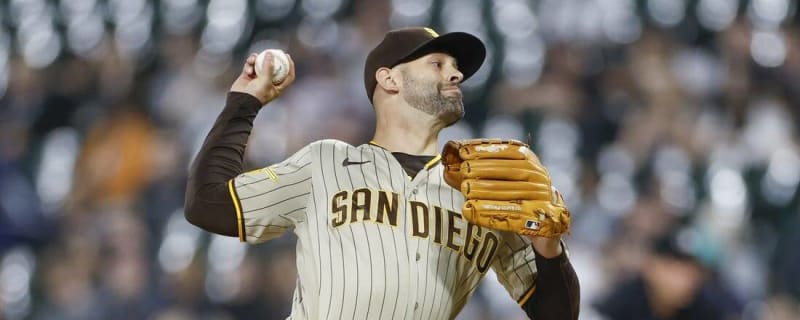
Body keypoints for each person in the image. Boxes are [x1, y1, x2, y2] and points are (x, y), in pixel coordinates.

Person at [185, 27, 579, 319]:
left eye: (457, 68)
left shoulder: (481, 190)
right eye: (438, 64)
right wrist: (244, 102)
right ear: (389, 78)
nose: (456, 75)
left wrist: (549, 246)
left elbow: (557, 316)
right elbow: (206, 204)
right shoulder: (324, 163)